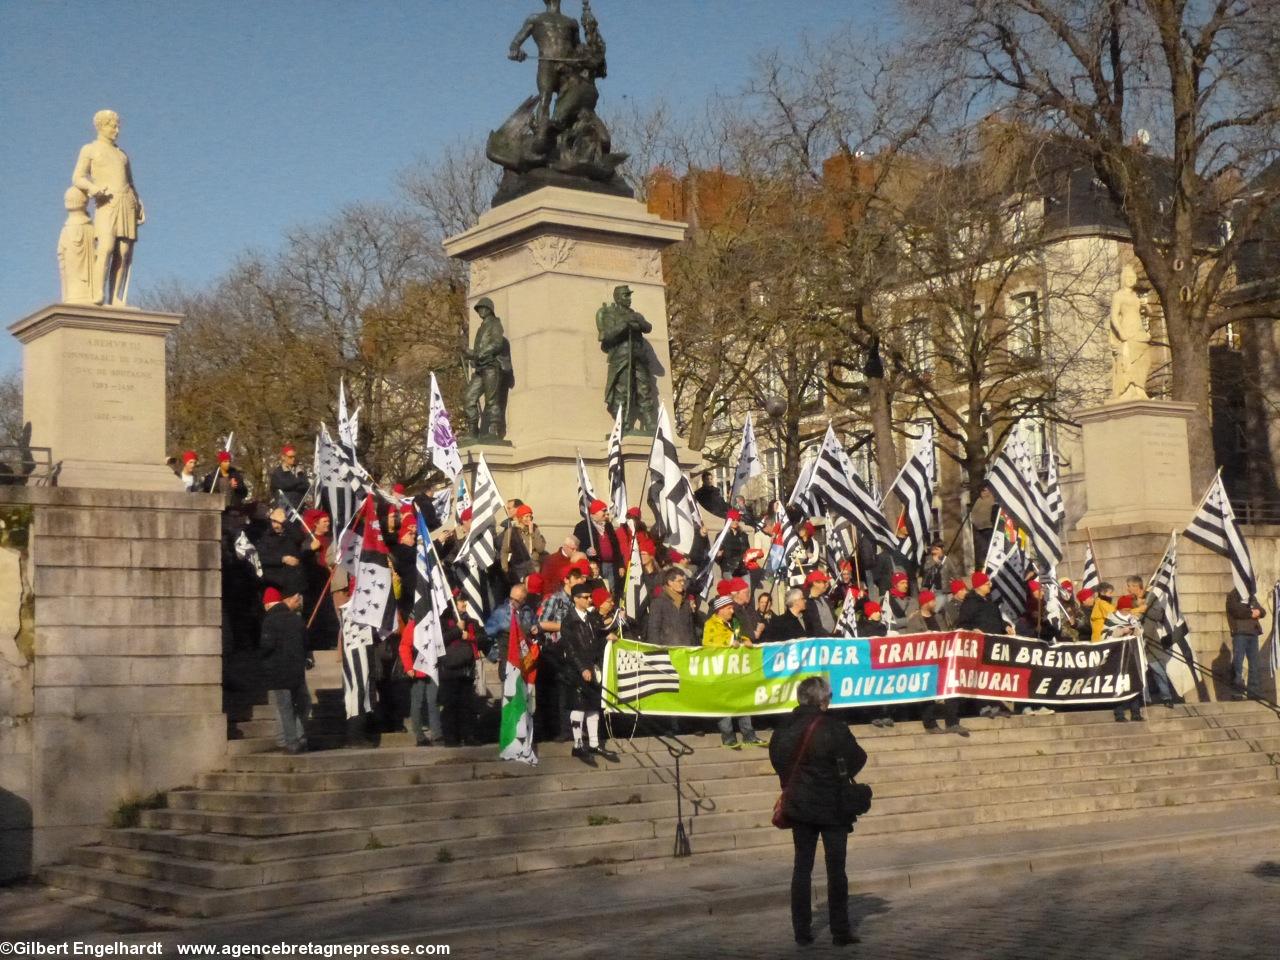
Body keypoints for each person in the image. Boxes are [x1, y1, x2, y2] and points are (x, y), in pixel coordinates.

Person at [768, 676, 868, 947]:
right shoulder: (833, 727)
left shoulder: (784, 727)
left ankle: (801, 931)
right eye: (829, 697)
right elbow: (858, 758)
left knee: (802, 867)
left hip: (800, 805)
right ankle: (840, 930)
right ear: (822, 700)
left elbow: (776, 757)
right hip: (832, 805)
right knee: (836, 869)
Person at [72, 109, 143, 305]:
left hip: (126, 202)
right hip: (107, 203)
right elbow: (78, 177)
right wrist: (93, 188)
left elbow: (130, 181)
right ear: (102, 126)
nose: (117, 130)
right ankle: (97, 292)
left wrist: (138, 203)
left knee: (123, 252)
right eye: (113, 126)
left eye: (118, 126)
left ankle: (115, 297)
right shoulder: (90, 149)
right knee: (106, 247)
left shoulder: (122, 154)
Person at [559, 582, 619, 764]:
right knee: (578, 706)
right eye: (585, 597)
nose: (589, 600)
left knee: (593, 706)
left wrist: (607, 636)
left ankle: (594, 743)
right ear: (576, 599)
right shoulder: (569, 621)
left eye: (589, 597)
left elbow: (597, 638)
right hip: (577, 669)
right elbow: (571, 649)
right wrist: (582, 668)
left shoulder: (591, 618)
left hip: (593, 667)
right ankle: (577, 745)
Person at [905, 591, 970, 737]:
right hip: (925, 662)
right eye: (932, 601)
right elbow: (911, 641)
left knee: (951, 688)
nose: (935, 603)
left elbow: (948, 633)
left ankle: (952, 722)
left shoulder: (939, 618)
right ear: (925, 602)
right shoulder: (915, 621)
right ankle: (930, 724)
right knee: (927, 692)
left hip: (943, 660)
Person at [704, 594, 765, 749]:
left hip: (737, 672)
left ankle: (749, 735)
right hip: (722, 673)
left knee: (743, 702)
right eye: (729, 608)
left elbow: (738, 636)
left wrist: (745, 640)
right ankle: (728, 736)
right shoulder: (711, 624)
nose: (732, 611)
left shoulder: (732, 624)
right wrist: (731, 642)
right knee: (725, 705)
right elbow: (709, 641)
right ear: (721, 609)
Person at [259, 588, 310, 754]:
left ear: (267, 605)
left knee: (285, 708)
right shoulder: (296, 619)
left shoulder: (269, 621)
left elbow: (267, 646)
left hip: (278, 671)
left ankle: (291, 742)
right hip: (296, 670)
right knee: (297, 706)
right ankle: (301, 738)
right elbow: (306, 643)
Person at [1226, 587, 1267, 701]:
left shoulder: (1251, 596)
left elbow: (1262, 611)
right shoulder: (1233, 595)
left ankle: (1253, 691)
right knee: (1238, 662)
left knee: (1254, 663)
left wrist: (1257, 612)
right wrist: (1251, 612)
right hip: (1240, 632)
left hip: (1253, 632)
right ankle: (1237, 692)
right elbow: (1237, 611)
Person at [573, 500, 622, 590]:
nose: (606, 513)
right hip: (596, 566)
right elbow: (575, 548)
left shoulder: (608, 526)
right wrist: (587, 552)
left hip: (611, 565)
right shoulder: (582, 526)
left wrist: (620, 565)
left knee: (611, 591)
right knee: (599, 589)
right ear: (595, 512)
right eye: (603, 510)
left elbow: (616, 546)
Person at [645, 567, 697, 646]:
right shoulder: (658, 603)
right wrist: (657, 651)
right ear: (670, 582)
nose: (683, 583)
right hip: (667, 651)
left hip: (685, 651)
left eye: (683, 581)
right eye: (679, 581)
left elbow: (691, 631)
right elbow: (653, 630)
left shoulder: (686, 603)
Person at [956, 572, 1011, 636]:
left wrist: (1006, 626)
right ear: (980, 586)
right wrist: (972, 630)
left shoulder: (990, 601)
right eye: (987, 584)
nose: (991, 585)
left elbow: (998, 620)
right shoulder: (969, 603)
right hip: (982, 642)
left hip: (997, 640)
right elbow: (962, 625)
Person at [270, 444, 310, 511]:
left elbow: (306, 486)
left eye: (294, 457)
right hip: (284, 508)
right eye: (290, 457)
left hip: (299, 507)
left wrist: (294, 484)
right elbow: (285, 485)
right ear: (283, 457)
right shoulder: (278, 472)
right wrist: (299, 482)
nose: (293, 459)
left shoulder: (300, 471)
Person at [802, 570, 837, 637]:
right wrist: (827, 636)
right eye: (824, 582)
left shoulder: (825, 598)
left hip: (833, 637)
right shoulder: (807, 603)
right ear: (815, 583)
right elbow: (814, 626)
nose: (826, 584)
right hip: (821, 641)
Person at [717, 510, 751, 576]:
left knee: (746, 584)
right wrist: (718, 555)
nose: (735, 521)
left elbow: (747, 550)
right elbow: (716, 555)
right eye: (733, 519)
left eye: (737, 520)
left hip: (742, 568)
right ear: (728, 521)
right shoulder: (721, 536)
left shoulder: (743, 535)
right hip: (728, 568)